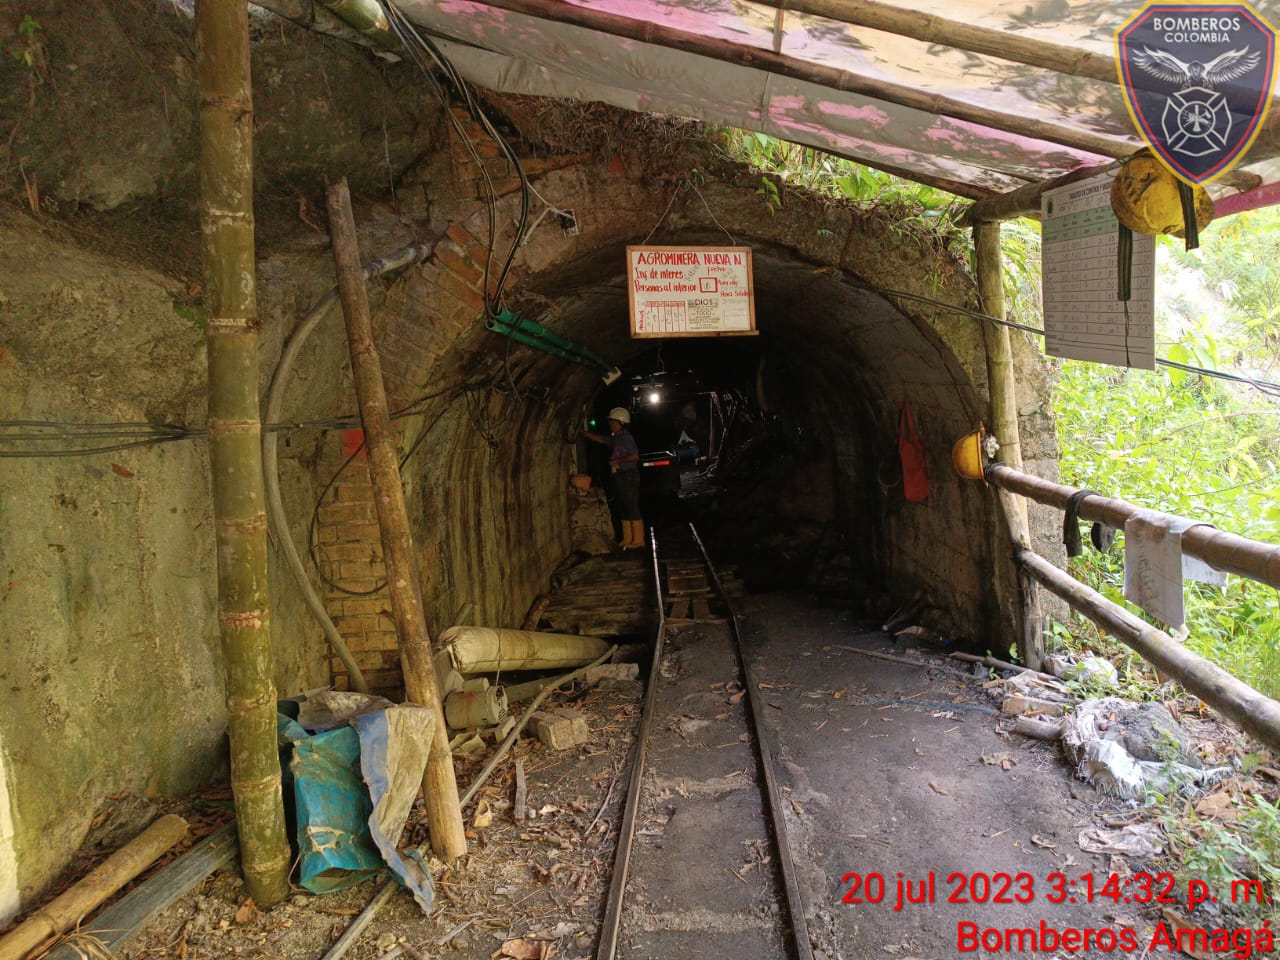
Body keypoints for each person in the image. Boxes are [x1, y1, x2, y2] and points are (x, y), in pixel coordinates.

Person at [583, 406, 644, 549]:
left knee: (631, 506)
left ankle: (638, 540)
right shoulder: (616, 438)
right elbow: (603, 440)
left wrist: (617, 461)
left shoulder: (626, 438)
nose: (610, 424)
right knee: (623, 506)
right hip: (620, 476)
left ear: (621, 422)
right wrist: (585, 434)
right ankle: (628, 538)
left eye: (613, 422)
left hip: (628, 476)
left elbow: (635, 456)